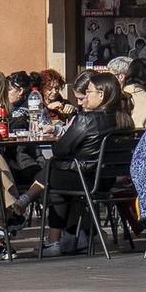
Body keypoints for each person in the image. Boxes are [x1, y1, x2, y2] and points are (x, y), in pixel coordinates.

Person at [40, 69, 129, 255]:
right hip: (106, 180)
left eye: (88, 92)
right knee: (54, 173)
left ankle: (54, 240)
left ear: (101, 95)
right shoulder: (124, 119)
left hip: (85, 178)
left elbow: (59, 149)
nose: (85, 98)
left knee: (50, 171)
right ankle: (75, 236)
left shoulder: (87, 119)